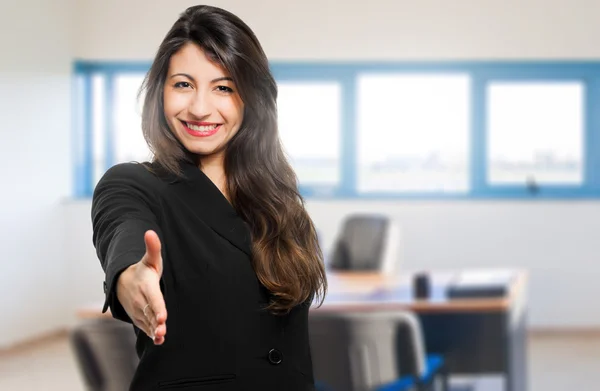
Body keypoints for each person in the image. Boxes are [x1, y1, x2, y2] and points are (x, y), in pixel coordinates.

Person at [91, 5, 327, 390]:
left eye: (224, 87)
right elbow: (123, 229)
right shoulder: (134, 183)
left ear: (251, 98)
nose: (200, 108)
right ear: (160, 92)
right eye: (183, 84)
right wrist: (131, 276)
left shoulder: (280, 203)